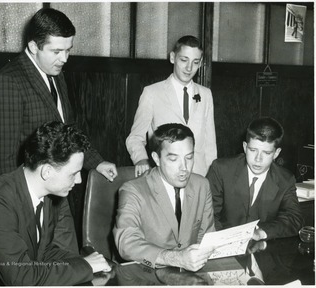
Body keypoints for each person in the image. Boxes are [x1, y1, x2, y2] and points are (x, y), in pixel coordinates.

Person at [0, 121, 111, 286]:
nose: (79, 180)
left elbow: (42, 252)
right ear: (46, 172)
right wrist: (84, 266)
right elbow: (22, 279)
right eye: (73, 174)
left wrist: (83, 262)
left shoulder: (47, 194)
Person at [0, 7, 117, 182]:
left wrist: (97, 163)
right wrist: (20, 203)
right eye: (56, 51)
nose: (64, 59)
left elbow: (66, 129)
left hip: (58, 187)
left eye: (68, 50)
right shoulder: (7, 82)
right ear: (33, 47)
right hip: (28, 195)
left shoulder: (55, 72)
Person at [114, 123, 215, 272]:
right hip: (147, 275)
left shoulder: (202, 185)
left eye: (189, 157)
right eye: (174, 159)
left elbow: (207, 237)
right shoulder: (133, 191)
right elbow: (127, 243)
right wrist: (177, 259)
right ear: (156, 158)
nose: (184, 168)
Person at [126, 35, 217, 178]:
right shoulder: (152, 93)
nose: (189, 68)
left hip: (197, 177)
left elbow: (210, 145)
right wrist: (141, 159)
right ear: (173, 58)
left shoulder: (206, 95)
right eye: (184, 60)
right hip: (164, 175)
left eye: (195, 62)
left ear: (200, 64)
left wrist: (212, 179)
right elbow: (135, 138)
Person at [206, 117, 304, 241]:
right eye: (253, 150)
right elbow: (208, 214)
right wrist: (225, 241)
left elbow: (294, 219)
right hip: (222, 247)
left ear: (276, 153)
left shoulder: (285, 179)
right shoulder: (221, 170)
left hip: (261, 251)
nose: (258, 159)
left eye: (266, 153)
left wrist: (262, 232)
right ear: (245, 147)